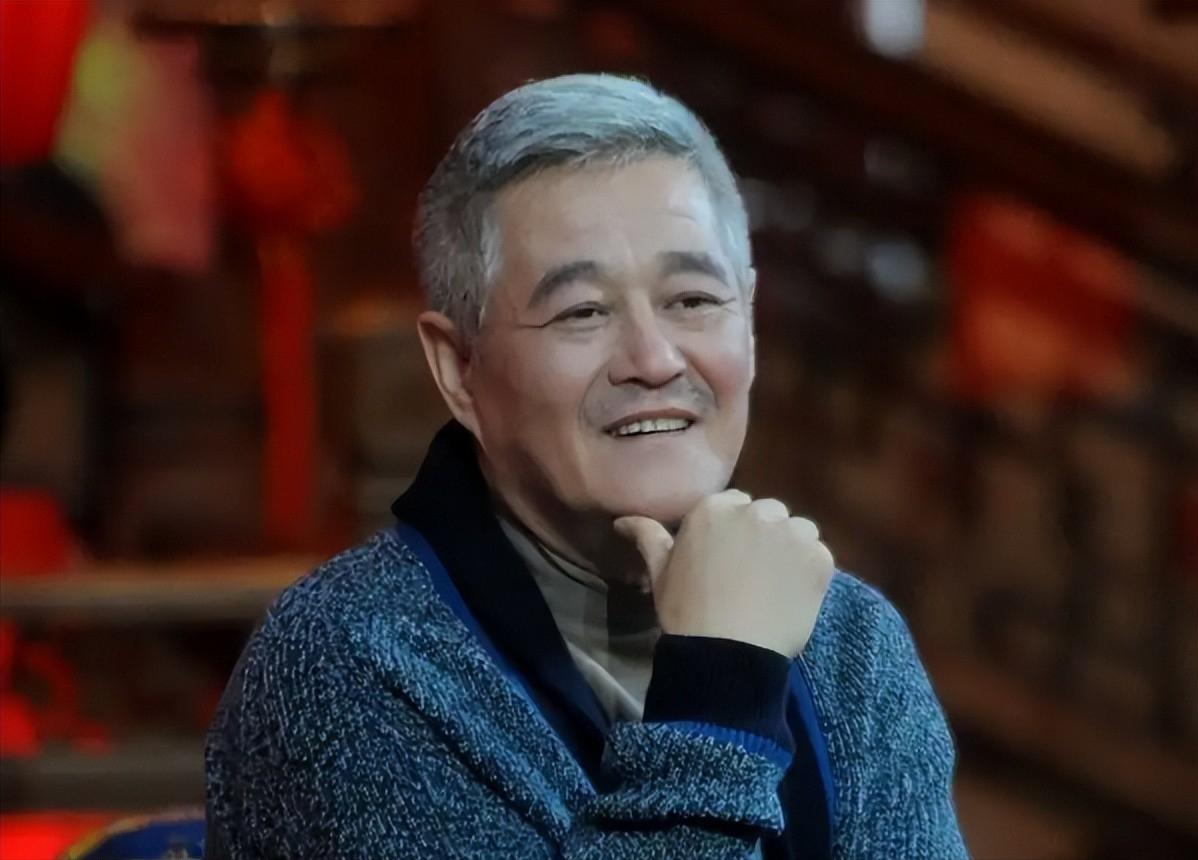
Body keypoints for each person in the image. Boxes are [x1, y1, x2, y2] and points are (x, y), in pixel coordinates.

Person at [204, 74, 967, 860]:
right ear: (459, 368)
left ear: (749, 321)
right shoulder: (348, 661)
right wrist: (721, 684)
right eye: (583, 312)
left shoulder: (849, 643)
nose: (654, 359)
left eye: (693, 300)